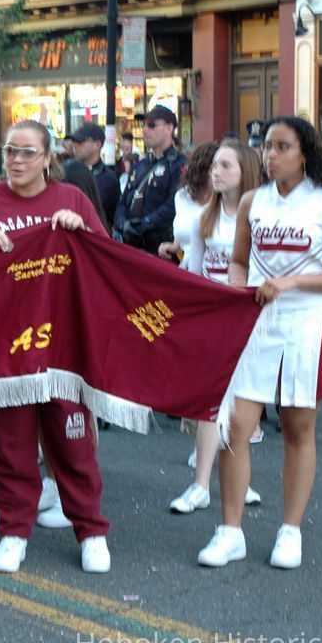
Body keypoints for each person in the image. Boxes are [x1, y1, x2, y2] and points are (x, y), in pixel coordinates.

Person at [0, 118, 112, 575]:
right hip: (4, 348)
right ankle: (14, 532)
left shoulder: (72, 199)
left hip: (62, 348)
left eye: (27, 153)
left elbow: (105, 260)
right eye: (10, 151)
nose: (16, 161)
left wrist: (82, 231)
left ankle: (91, 531)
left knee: (74, 446)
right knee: (11, 447)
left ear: (47, 159)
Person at [197, 116, 322, 570]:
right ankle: (230, 532)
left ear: (305, 153)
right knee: (233, 429)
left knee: (297, 430)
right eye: (267, 146)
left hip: (305, 324)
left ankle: (290, 530)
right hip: (257, 324)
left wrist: (291, 282)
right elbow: (239, 261)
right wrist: (236, 290)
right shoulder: (253, 201)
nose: (271, 154)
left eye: (283, 146)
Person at [171, 140, 264, 516]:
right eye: (214, 166)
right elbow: (194, 271)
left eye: (226, 165)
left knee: (241, 406)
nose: (216, 172)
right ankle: (200, 486)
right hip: (212, 321)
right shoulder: (203, 218)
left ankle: (239, 481)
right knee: (210, 403)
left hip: (248, 320)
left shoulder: (259, 217)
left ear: (245, 170)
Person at [115, 105, 185, 254]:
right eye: (144, 125)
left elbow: (173, 205)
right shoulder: (139, 165)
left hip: (160, 248)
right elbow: (123, 201)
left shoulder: (179, 165)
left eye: (152, 125)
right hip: (132, 245)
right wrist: (122, 223)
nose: (144, 130)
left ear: (169, 128)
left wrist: (144, 224)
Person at [68, 122, 118, 226]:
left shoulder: (108, 179)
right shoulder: (70, 171)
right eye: (74, 141)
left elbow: (88, 208)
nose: (75, 145)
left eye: (80, 141)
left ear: (97, 145)